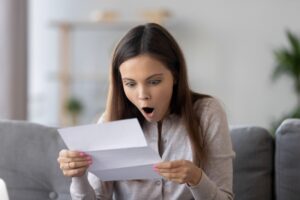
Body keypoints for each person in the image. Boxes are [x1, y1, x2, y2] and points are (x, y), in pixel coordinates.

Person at [57, 23, 235, 200]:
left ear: (175, 75)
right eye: (130, 84)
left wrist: (196, 179)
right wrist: (78, 176)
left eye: (154, 82)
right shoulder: (111, 121)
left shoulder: (207, 113)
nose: (143, 96)